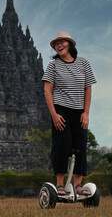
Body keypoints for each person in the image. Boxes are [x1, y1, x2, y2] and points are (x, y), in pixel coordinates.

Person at [42, 32, 96, 196]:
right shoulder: (53, 64)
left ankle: (78, 185)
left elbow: (88, 88)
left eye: (62, 42)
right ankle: (60, 184)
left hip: (79, 110)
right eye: (56, 43)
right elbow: (47, 90)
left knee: (80, 146)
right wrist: (54, 114)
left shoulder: (83, 63)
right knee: (62, 146)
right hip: (60, 109)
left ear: (70, 44)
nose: (59, 45)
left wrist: (86, 112)